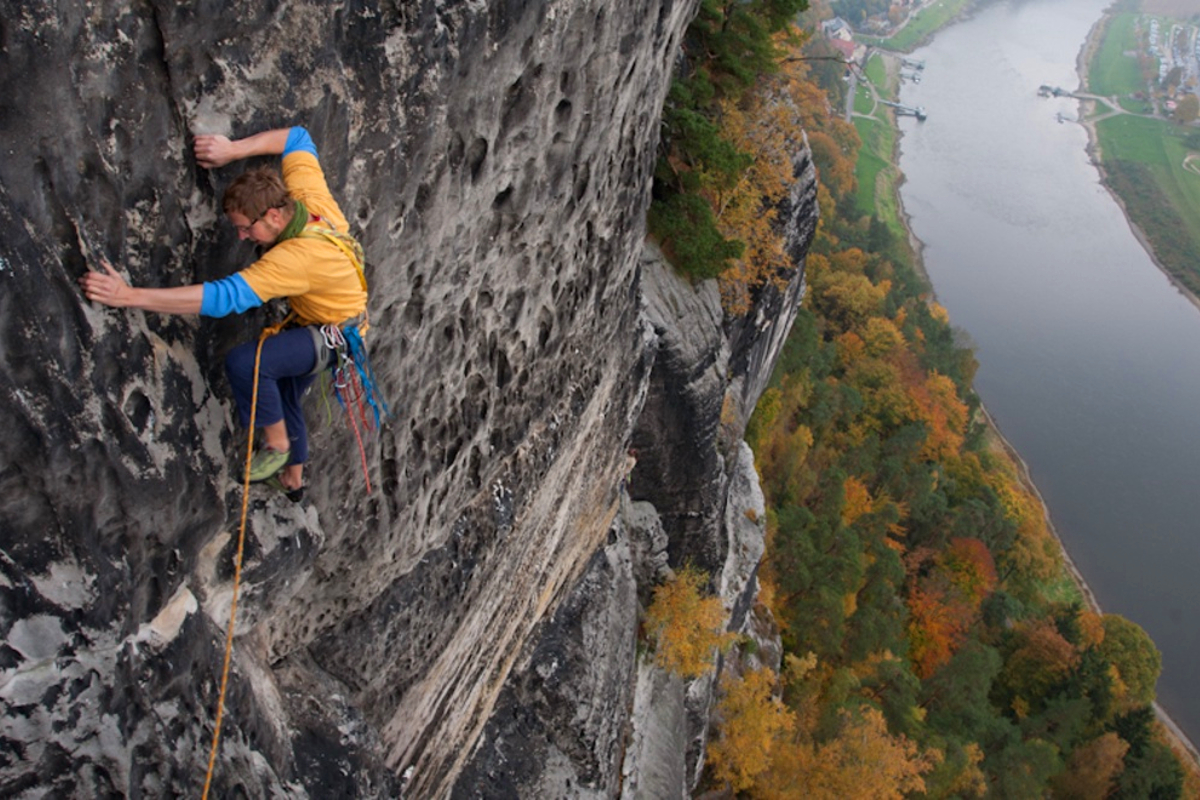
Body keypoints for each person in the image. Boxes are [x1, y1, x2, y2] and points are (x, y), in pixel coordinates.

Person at [79, 126, 367, 496]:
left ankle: (277, 447)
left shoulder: (295, 259)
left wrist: (129, 296)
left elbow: (221, 298)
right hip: (336, 324)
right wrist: (232, 150)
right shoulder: (308, 199)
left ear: (274, 218)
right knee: (286, 394)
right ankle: (294, 480)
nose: (242, 238)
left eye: (246, 229)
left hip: (333, 336)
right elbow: (298, 138)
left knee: (248, 363)